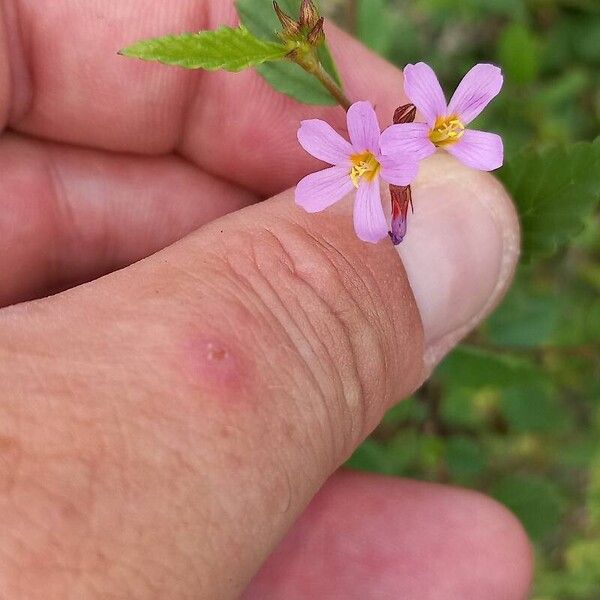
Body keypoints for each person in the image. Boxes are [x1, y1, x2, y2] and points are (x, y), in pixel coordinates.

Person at [0, 1, 532, 597]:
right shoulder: (376, 154)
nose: (448, 131)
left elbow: (396, 147)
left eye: (452, 128)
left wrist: (406, 152)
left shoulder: (417, 141)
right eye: (443, 128)